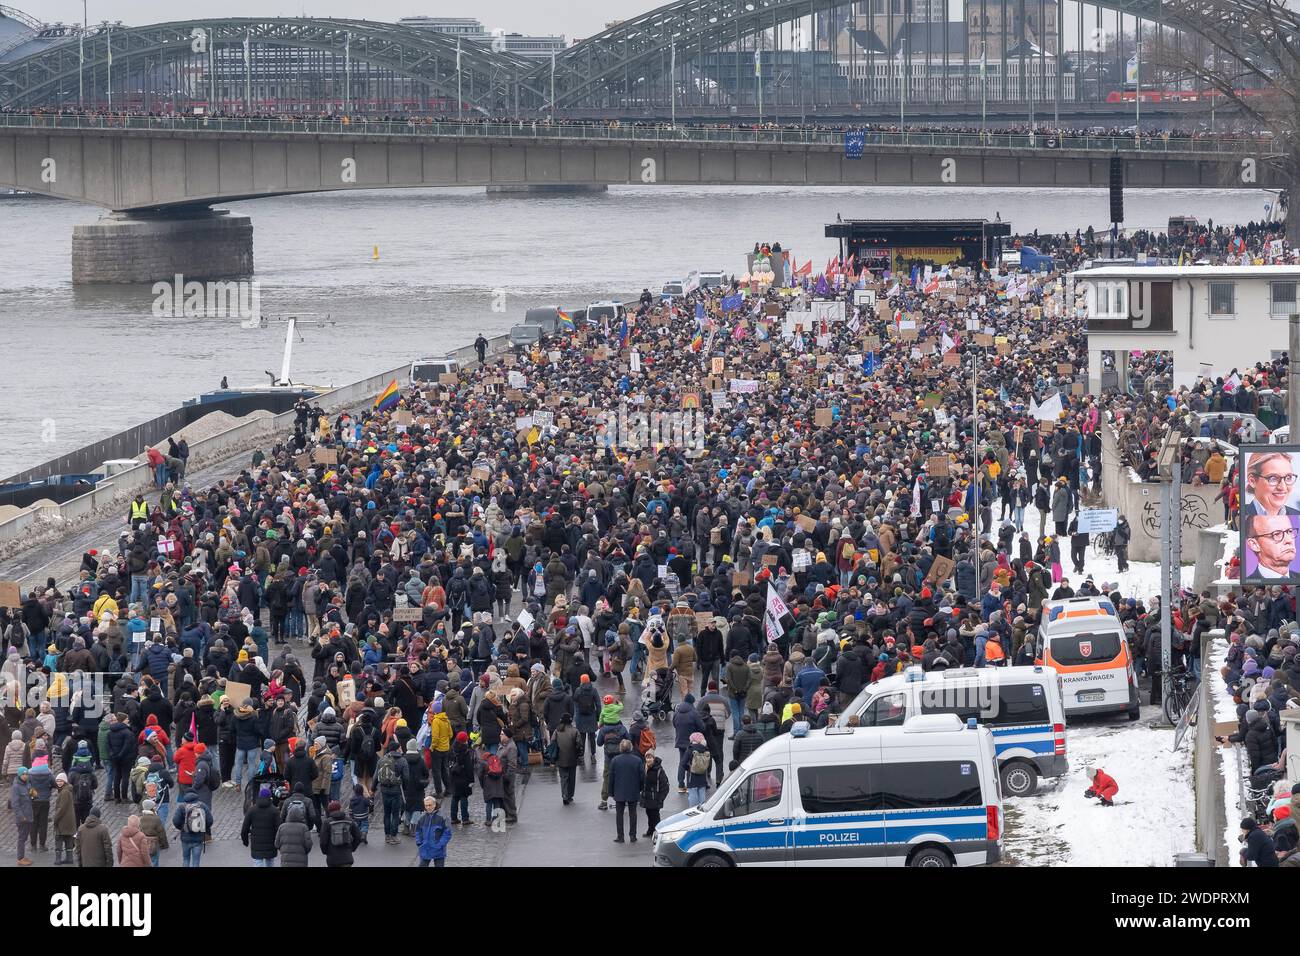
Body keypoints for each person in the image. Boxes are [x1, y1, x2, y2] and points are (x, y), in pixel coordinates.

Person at [608, 739, 646, 844]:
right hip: (633, 790)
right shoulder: (637, 760)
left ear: (621, 748)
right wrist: (641, 788)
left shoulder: (615, 760)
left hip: (619, 790)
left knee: (619, 814)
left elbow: (611, 777)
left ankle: (620, 836)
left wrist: (610, 792)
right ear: (630, 747)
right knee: (633, 813)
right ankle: (633, 835)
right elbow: (642, 776)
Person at [241, 785, 281, 866]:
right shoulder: (274, 811)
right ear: (270, 798)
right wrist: (279, 843)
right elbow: (279, 829)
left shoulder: (252, 810)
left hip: (256, 845)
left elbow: (245, 828)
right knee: (270, 863)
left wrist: (245, 841)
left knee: (258, 864)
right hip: (271, 844)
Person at [172, 790, 213, 867]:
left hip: (185, 838)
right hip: (198, 838)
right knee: (196, 861)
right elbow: (210, 820)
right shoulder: (202, 806)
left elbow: (175, 821)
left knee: (186, 859)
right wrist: (203, 827)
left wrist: (183, 827)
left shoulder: (181, 807)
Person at [321, 799, 362, 867]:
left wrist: (326, 852)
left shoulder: (327, 823)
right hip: (347, 858)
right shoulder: (349, 821)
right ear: (340, 808)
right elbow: (358, 836)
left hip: (332, 859)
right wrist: (351, 848)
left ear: (329, 810)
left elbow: (323, 841)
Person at [640, 748, 670, 838]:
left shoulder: (659, 770)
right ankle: (650, 830)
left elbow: (665, 786)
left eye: (650, 757)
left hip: (655, 799)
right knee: (649, 814)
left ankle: (657, 832)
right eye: (647, 758)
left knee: (655, 816)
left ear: (654, 758)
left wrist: (660, 798)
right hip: (647, 797)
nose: (648, 759)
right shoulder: (644, 768)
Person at [414, 795, 452, 867]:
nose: (428, 807)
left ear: (434, 804)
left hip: (438, 849)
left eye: (430, 805)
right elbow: (418, 831)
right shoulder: (422, 817)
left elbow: (447, 833)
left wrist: (440, 844)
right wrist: (419, 842)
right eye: (426, 805)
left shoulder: (442, 817)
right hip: (425, 848)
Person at [552, 711, 580, 806]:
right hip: (572, 758)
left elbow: (552, 743)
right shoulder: (575, 731)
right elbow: (579, 744)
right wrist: (578, 754)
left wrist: (553, 758)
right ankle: (570, 795)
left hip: (561, 758)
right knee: (572, 778)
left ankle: (564, 795)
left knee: (563, 777)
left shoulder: (557, 731)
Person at [275, 802, 314, 868]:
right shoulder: (304, 827)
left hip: (286, 860)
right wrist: (304, 852)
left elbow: (277, 844)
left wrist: (284, 851)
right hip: (301, 860)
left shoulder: (282, 827)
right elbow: (308, 845)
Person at [9, 767, 33, 865]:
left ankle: (22, 856)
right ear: (19, 775)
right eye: (23, 774)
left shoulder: (27, 784)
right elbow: (15, 804)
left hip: (29, 815)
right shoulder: (16, 787)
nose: (25, 776)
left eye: (26, 774)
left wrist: (34, 795)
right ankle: (20, 858)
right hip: (22, 817)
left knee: (24, 837)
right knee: (22, 838)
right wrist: (21, 816)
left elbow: (30, 799)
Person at [685, 732, 711, 807]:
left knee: (693, 801)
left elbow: (683, 763)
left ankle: (694, 816)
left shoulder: (690, 749)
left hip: (692, 778)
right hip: (702, 778)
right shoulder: (706, 750)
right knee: (702, 800)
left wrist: (689, 768)